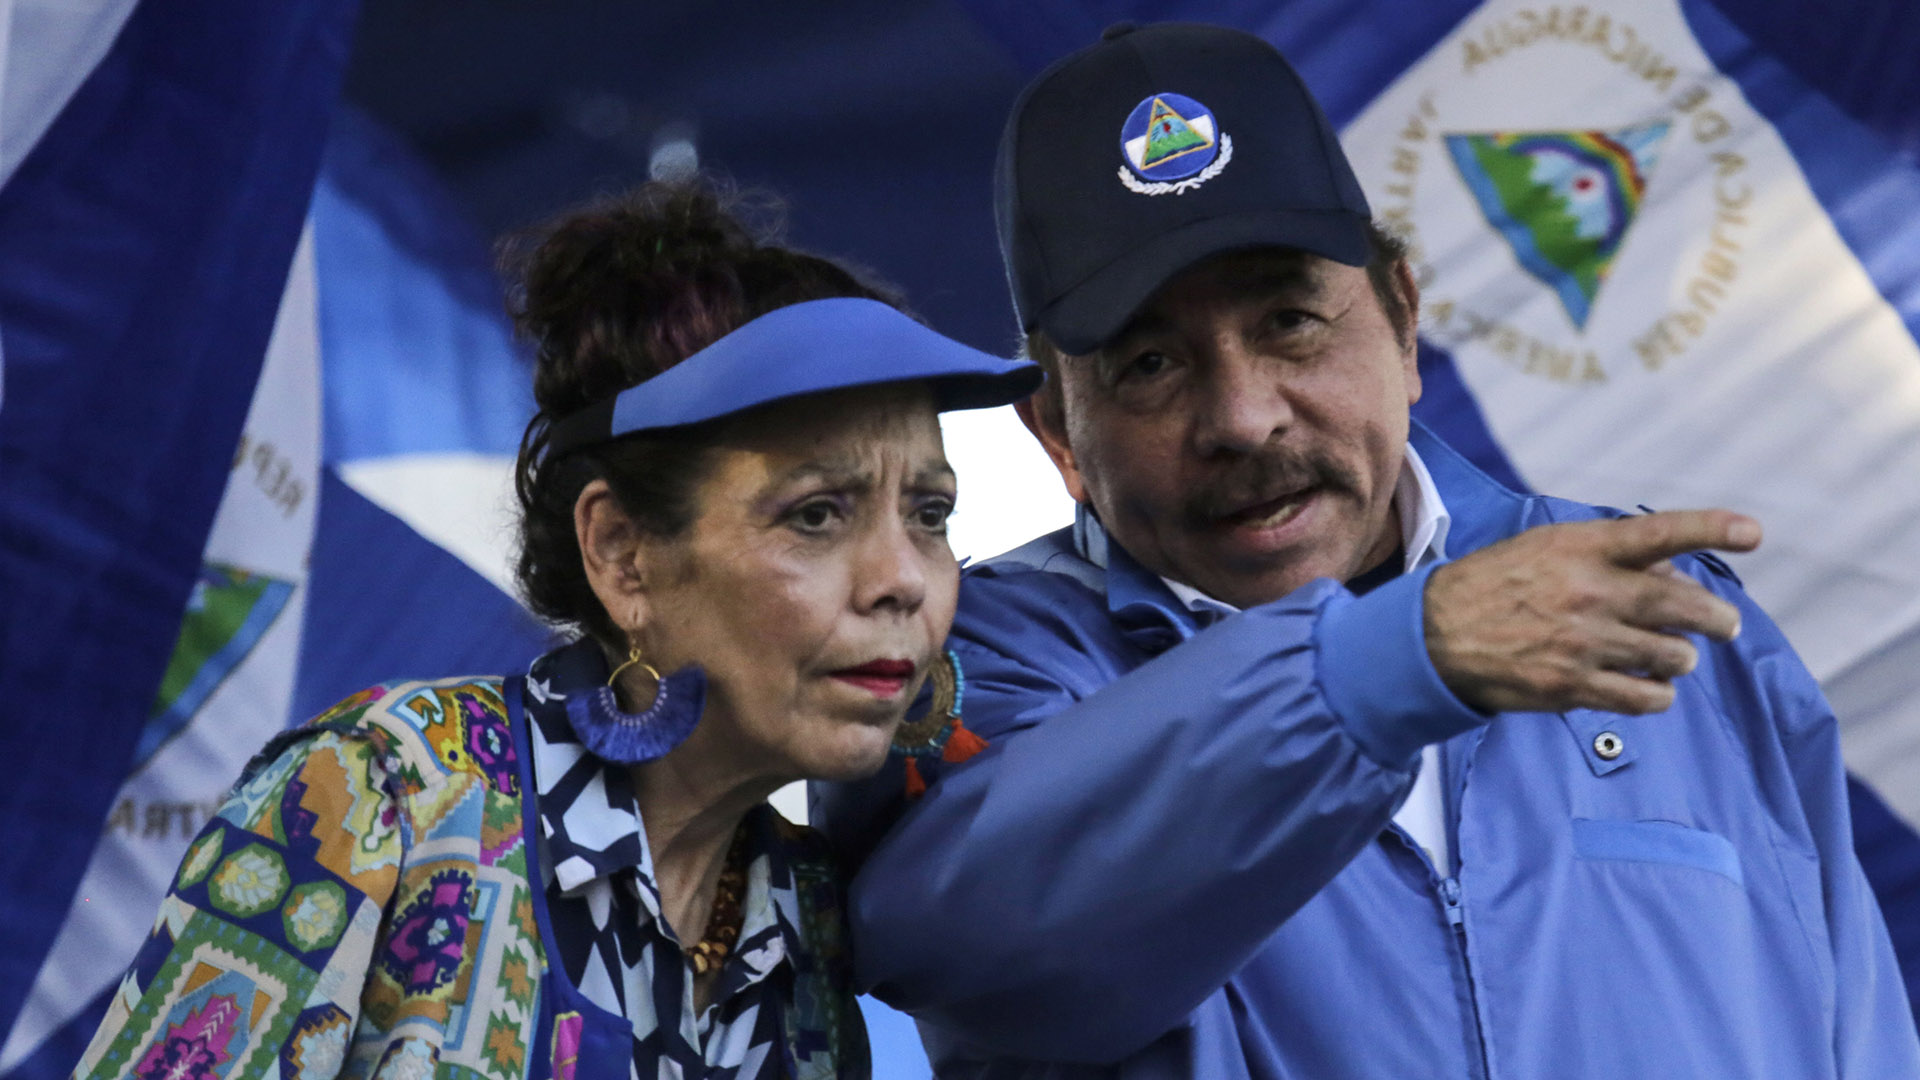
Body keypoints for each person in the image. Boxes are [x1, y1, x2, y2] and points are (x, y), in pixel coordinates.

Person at [812, 23, 1920, 1078]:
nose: (1243, 417)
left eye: (1291, 319)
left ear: (1400, 320)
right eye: (1150, 363)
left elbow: (1859, 1033)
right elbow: (990, 952)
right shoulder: (961, 664)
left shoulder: (1669, 614)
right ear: (1056, 431)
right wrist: (1387, 667)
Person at [71, 180, 1039, 1080]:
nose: (904, 580)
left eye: (930, 514)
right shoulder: (385, 798)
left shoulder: (805, 922)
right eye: (816, 514)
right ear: (622, 554)